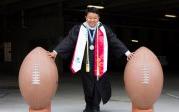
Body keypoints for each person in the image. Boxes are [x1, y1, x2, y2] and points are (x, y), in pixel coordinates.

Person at [48, 7, 134, 112]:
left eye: (95, 18)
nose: (92, 20)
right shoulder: (79, 28)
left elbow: (114, 40)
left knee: (98, 84)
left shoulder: (104, 29)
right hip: (86, 62)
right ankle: (89, 105)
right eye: (89, 18)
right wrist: (55, 52)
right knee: (87, 84)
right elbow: (68, 41)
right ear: (85, 17)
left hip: (100, 61)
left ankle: (95, 106)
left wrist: (127, 53)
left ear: (98, 18)